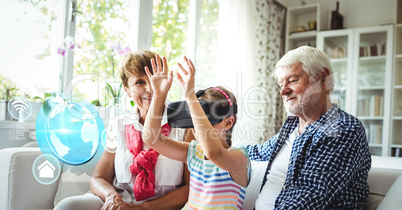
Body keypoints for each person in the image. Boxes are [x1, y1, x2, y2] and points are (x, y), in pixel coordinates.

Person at [54, 50, 192, 210]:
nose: (149, 88)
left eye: (155, 80)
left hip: (161, 207)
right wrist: (112, 197)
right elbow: (99, 178)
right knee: (67, 206)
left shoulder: (184, 125)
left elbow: (192, 188)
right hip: (118, 203)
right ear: (127, 90)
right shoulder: (118, 124)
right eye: (140, 82)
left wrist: (141, 208)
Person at [241, 46, 371, 209]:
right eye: (281, 84)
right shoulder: (292, 127)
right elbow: (257, 152)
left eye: (293, 80)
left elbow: (306, 200)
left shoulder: (343, 129)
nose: (283, 91)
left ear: (323, 78)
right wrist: (210, 148)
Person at [142, 55, 251, 209]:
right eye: (195, 121)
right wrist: (159, 96)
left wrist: (190, 97)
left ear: (228, 122)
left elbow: (214, 153)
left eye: (206, 122)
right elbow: (151, 138)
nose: (197, 128)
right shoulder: (193, 153)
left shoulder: (240, 159)